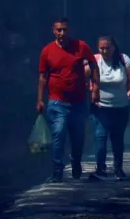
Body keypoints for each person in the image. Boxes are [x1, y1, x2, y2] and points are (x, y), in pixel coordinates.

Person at [37, 17, 99, 182]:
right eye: (59, 30)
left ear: (69, 30)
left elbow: (93, 65)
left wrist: (95, 88)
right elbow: (43, 76)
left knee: (78, 137)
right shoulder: (47, 51)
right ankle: (57, 171)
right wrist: (40, 99)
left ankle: (76, 163)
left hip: (78, 102)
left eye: (65, 29)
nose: (62, 33)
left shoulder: (80, 46)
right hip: (57, 102)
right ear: (53, 31)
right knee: (58, 134)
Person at [90, 36, 130, 180]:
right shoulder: (94, 60)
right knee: (100, 137)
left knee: (117, 139)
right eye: (101, 48)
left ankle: (118, 168)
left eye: (107, 48)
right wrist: (90, 87)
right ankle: (100, 169)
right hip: (100, 107)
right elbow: (82, 74)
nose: (105, 51)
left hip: (120, 107)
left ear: (114, 47)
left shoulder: (124, 59)